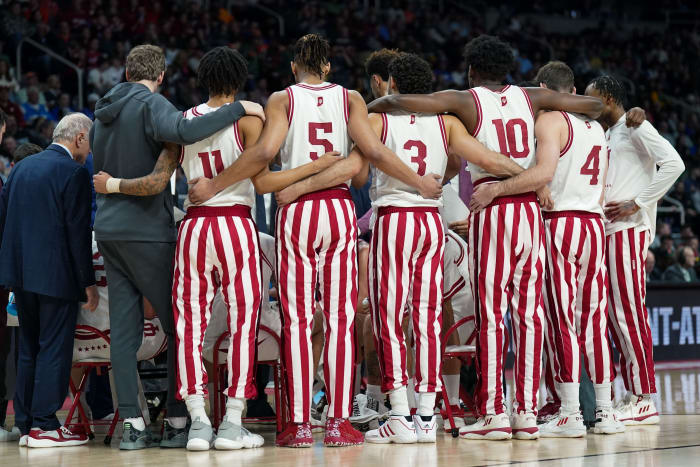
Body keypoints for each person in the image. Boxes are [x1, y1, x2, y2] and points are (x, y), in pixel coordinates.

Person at [188, 34, 442, 448]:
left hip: (297, 213)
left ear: (294, 68)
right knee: (341, 320)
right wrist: (414, 180)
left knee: (299, 321)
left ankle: (300, 423)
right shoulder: (352, 99)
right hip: (338, 211)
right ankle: (340, 421)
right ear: (328, 67)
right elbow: (368, 160)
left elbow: (267, 150)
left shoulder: (281, 99)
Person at [285, 51, 542, 443]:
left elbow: (362, 162)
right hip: (431, 222)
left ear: (393, 86)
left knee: (388, 318)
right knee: (426, 318)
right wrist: (530, 178)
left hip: (396, 218)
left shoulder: (377, 118)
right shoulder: (448, 122)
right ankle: (427, 415)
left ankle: (400, 414)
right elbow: (483, 158)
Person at [368, 35, 604, 440]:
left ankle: (494, 411)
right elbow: (595, 106)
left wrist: (369, 105)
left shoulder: (464, 99)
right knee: (529, 315)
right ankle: (526, 413)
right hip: (529, 206)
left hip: (492, 203)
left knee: (492, 314)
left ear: (473, 69)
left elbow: (404, 102)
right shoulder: (531, 97)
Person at [89, 44, 264, 450]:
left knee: (125, 333)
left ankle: (132, 422)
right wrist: (241, 109)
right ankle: (181, 418)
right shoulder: (157, 107)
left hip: (111, 231)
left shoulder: (100, 117)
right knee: (181, 328)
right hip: (162, 230)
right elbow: (180, 139)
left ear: (127, 70)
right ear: (161, 75)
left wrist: (112, 186)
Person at [489, 61, 622, 437]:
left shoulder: (549, 122)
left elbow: (544, 173)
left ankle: (570, 411)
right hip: (593, 223)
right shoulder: (596, 126)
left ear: (544, 88)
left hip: (560, 222)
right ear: (574, 89)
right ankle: (607, 410)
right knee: (594, 320)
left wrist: (516, 186)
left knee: (562, 318)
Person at [586, 75, 684, 426]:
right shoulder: (609, 132)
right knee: (614, 316)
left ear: (610, 98)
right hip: (608, 228)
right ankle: (632, 392)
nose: (588, 104)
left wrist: (639, 202)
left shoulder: (635, 126)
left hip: (628, 230)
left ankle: (644, 397)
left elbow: (674, 164)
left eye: (592, 98)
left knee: (629, 313)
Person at [0, 113, 99, 447]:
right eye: (91, 141)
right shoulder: (73, 172)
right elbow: (78, 234)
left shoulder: (20, 168)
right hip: (56, 277)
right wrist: (88, 283)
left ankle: (27, 424)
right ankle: (45, 424)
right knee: (53, 348)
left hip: (19, 275)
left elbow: (4, 222)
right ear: (80, 137)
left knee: (28, 348)